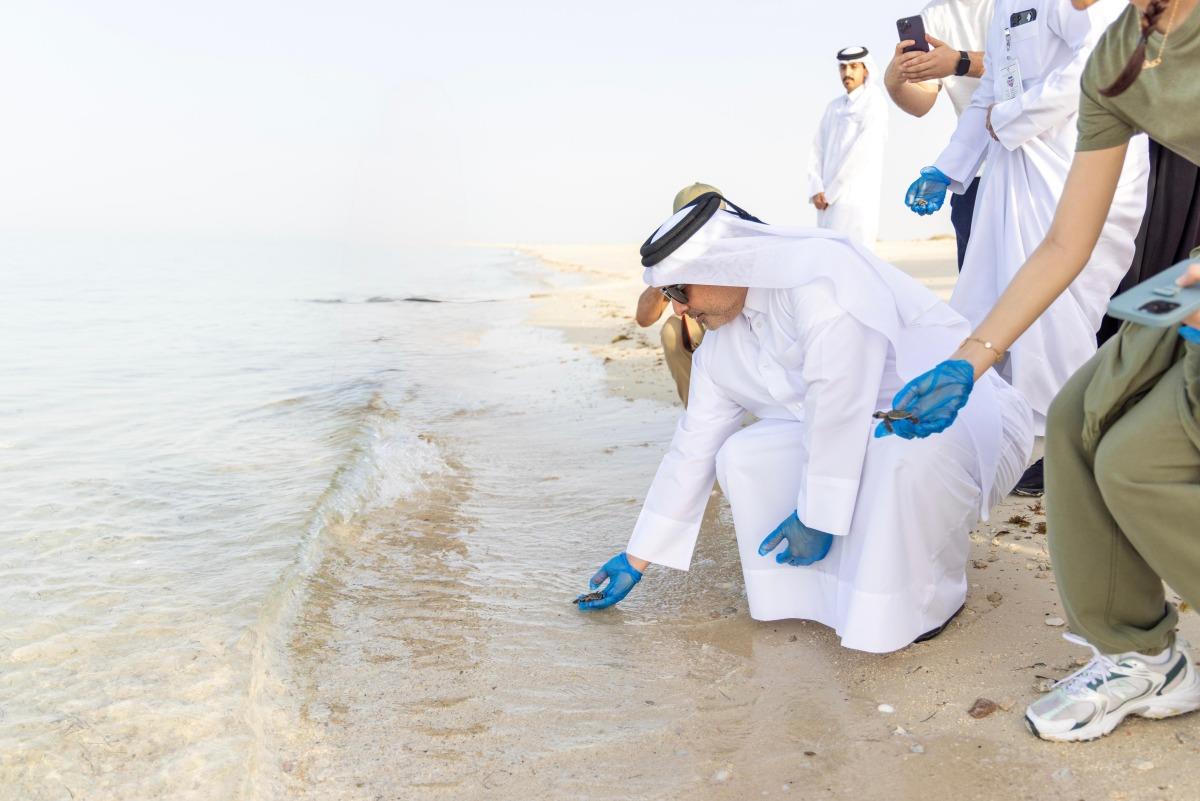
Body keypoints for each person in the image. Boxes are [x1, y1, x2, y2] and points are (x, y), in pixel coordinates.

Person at [878, 0, 1200, 741]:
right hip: (1183, 267)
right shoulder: (1117, 51)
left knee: (1139, 461)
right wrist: (969, 361)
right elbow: (1064, 242)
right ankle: (1141, 655)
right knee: (1077, 420)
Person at [575, 193, 1033, 654]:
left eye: (679, 292)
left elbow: (839, 398)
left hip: (958, 422)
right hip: (859, 434)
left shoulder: (820, 277)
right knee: (741, 455)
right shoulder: (719, 347)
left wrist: (817, 516)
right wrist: (637, 558)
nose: (678, 311)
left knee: (900, 453)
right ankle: (811, 595)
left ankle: (923, 602)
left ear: (722, 264)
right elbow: (692, 448)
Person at [902, 0, 1150, 496]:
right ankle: (1005, 436)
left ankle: (1064, 445)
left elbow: (1099, 62)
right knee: (989, 301)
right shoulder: (1004, 8)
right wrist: (947, 167)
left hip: (1078, 165)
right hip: (1013, 172)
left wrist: (1012, 117)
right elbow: (990, 91)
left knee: (1056, 316)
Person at [884, 0, 994, 269]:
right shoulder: (933, 16)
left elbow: (1027, 64)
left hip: (1039, 160)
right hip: (972, 171)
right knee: (976, 282)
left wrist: (960, 61)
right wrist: (894, 82)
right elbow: (922, 102)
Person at [634, 183, 720, 405]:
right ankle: (697, 408)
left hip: (748, 327)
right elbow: (644, 319)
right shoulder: (678, 258)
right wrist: (665, 272)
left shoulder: (740, 244)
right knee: (673, 330)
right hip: (706, 326)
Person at [807, 47, 889, 248]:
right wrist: (816, 188)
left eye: (853, 67)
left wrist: (831, 193)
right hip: (825, 200)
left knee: (856, 254)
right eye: (843, 68)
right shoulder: (833, 107)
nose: (847, 73)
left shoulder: (874, 103)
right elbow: (817, 149)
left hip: (856, 198)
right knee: (828, 253)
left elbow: (862, 153)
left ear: (866, 70)